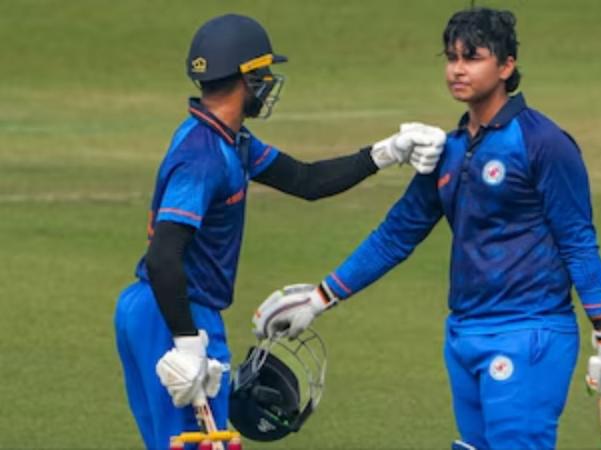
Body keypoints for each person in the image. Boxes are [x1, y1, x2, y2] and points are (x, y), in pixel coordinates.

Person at [255, 7, 601, 450]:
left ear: (506, 66)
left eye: (472, 58)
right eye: (451, 57)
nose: (457, 69)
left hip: (529, 333)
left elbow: (578, 241)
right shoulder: (449, 149)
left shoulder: (543, 143)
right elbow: (395, 235)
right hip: (463, 336)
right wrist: (319, 298)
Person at [113, 13, 446, 450]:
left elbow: (306, 181)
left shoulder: (231, 141)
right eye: (263, 73)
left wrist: (386, 153)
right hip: (175, 312)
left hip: (154, 308)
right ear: (245, 78)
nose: (269, 83)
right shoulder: (204, 157)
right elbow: (163, 256)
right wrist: (188, 344)